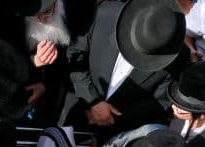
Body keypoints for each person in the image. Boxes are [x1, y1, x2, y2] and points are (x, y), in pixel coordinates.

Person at [65, 0, 188, 137]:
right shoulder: (104, 13)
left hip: (121, 133)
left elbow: (159, 101)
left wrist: (110, 116)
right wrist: (91, 100)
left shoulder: (178, 56)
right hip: (75, 108)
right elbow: (76, 52)